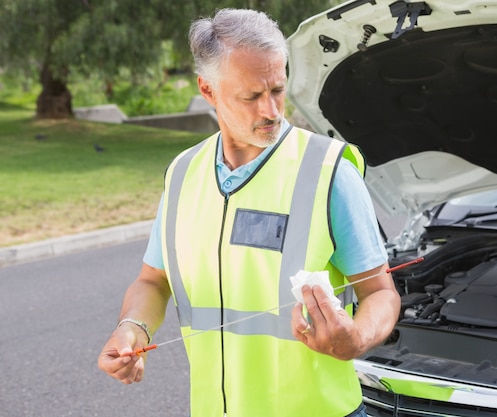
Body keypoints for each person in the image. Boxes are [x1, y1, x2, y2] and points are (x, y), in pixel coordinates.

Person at [97, 8, 400, 417]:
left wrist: (358, 337)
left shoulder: (329, 172)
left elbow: (380, 292)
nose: (271, 111)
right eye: (252, 96)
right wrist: (131, 328)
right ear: (208, 90)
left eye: (277, 89)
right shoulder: (183, 174)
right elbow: (153, 280)